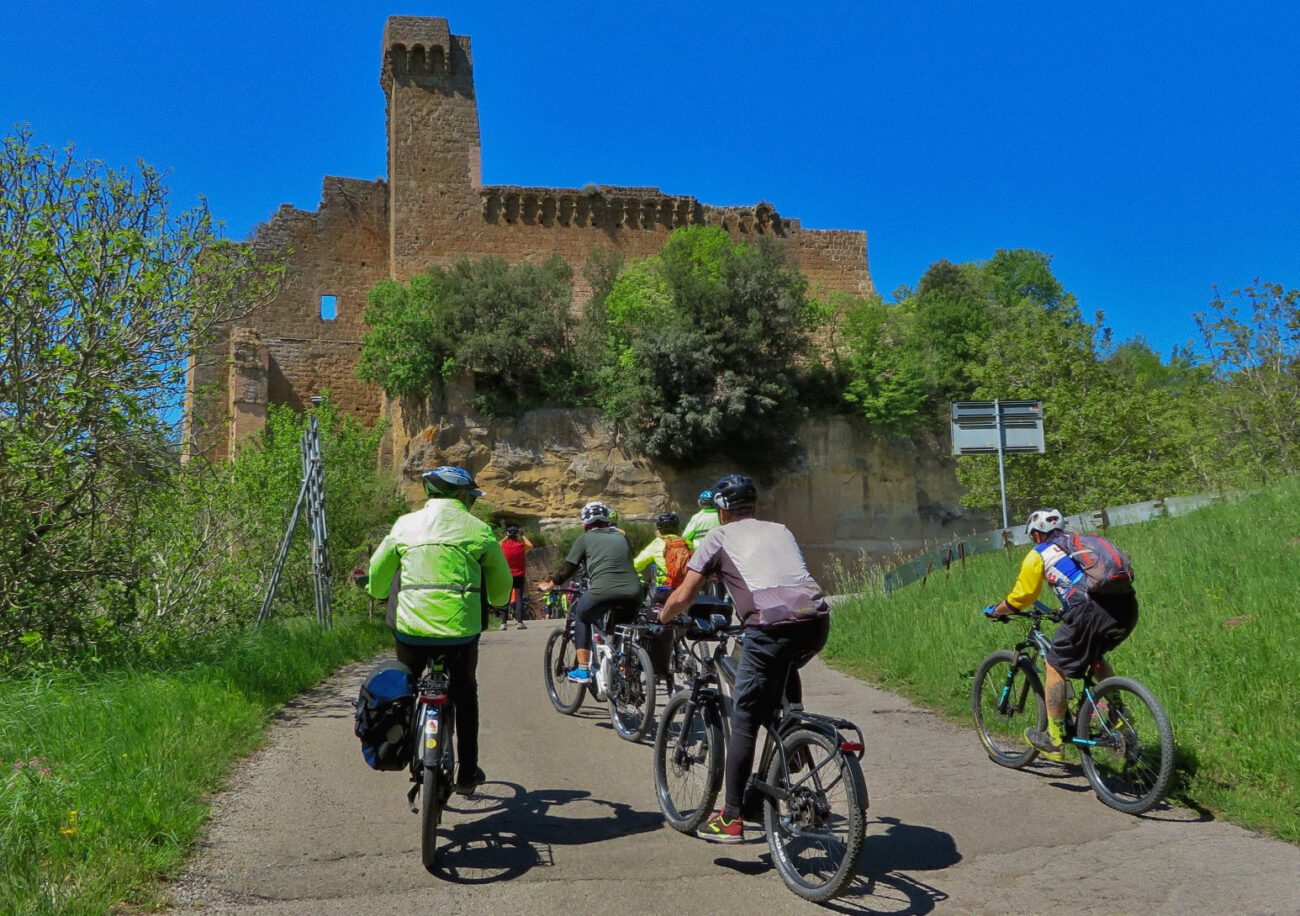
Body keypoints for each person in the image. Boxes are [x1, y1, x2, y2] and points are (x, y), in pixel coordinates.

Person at [659, 475, 831, 844]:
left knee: (745, 720)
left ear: (721, 510)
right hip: (816, 622)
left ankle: (732, 818)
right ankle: (792, 740)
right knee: (782, 669)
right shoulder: (780, 529)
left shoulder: (718, 536)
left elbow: (685, 594)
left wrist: (662, 617)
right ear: (753, 506)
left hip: (769, 628)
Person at [366, 466, 513, 795]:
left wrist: (377, 591)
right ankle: (467, 772)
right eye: (471, 497)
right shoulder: (479, 530)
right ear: (462, 496)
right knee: (465, 692)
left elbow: (377, 574)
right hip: (460, 633)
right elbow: (502, 586)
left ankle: (398, 747)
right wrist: (498, 602)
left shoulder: (405, 525)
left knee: (405, 686)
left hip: (411, 631)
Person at [986, 508, 1139, 761]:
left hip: (1089, 612)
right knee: (1094, 655)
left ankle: (1055, 739)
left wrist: (996, 611)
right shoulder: (1081, 545)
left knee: (1054, 663)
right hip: (1126, 608)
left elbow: (1022, 597)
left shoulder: (1040, 553)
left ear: (1037, 534)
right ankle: (1119, 714)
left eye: (1033, 536)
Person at [537, 501, 643, 684]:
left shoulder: (585, 539)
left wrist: (551, 584)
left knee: (582, 615)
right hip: (634, 592)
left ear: (585, 523)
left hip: (602, 590)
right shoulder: (622, 536)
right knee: (619, 630)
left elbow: (568, 568)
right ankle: (624, 667)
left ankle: (583, 669)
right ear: (607, 520)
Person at [633, 512, 691, 589]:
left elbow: (636, 565)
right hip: (685, 589)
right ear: (678, 528)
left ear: (659, 530)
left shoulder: (657, 544)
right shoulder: (687, 543)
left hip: (664, 588)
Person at [498, 525, 534, 630]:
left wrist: (506, 536)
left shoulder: (504, 546)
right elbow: (530, 546)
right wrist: (522, 535)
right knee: (519, 598)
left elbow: (497, 544)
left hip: (506, 575)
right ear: (517, 535)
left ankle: (503, 623)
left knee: (505, 598)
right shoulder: (521, 546)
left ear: (508, 535)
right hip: (519, 575)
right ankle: (519, 622)